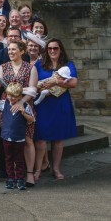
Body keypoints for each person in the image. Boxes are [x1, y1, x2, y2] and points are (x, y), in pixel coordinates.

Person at [33, 38, 78, 181]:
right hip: (43, 105)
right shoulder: (40, 64)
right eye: (50, 48)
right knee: (40, 140)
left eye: (55, 48)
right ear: (46, 50)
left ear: (60, 50)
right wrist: (43, 85)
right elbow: (33, 84)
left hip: (60, 105)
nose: (52, 51)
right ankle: (37, 170)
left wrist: (56, 81)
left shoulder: (68, 64)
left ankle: (56, 169)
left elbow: (74, 83)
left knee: (58, 140)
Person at [0, 82, 35, 190]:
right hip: (7, 137)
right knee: (8, 158)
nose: (11, 98)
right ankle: (10, 178)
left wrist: (24, 113)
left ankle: (19, 178)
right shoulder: (4, 103)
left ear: (20, 96)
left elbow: (32, 120)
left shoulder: (25, 106)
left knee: (19, 159)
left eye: (14, 96)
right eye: (9, 95)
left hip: (19, 138)